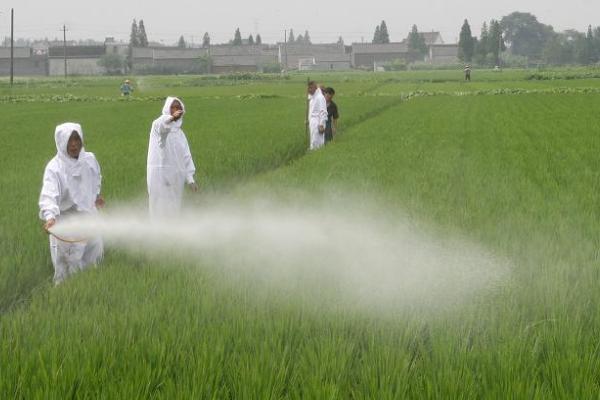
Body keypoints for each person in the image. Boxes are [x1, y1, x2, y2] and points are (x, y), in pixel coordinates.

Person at [39, 123, 105, 285]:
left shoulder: (89, 160)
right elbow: (49, 194)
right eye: (69, 140)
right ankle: (67, 297)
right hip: (67, 223)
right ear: (61, 142)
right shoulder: (55, 168)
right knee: (69, 269)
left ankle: (92, 292)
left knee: (93, 258)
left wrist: (96, 196)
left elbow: (96, 179)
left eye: (77, 139)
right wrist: (50, 216)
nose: (74, 144)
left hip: (90, 218)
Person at [147, 97, 198, 217]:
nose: (176, 110)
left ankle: (172, 229)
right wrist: (171, 118)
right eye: (173, 107)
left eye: (179, 108)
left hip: (176, 175)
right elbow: (162, 126)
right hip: (160, 174)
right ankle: (158, 231)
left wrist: (190, 179)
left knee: (174, 205)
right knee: (159, 204)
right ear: (167, 109)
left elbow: (186, 156)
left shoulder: (180, 134)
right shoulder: (157, 126)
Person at [306, 81, 328, 150]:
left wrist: (321, 124)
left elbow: (323, 112)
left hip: (317, 125)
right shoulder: (312, 98)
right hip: (312, 124)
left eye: (311, 88)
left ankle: (316, 156)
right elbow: (312, 112)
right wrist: (308, 120)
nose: (309, 90)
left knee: (317, 143)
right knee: (313, 142)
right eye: (308, 88)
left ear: (315, 88)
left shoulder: (320, 97)